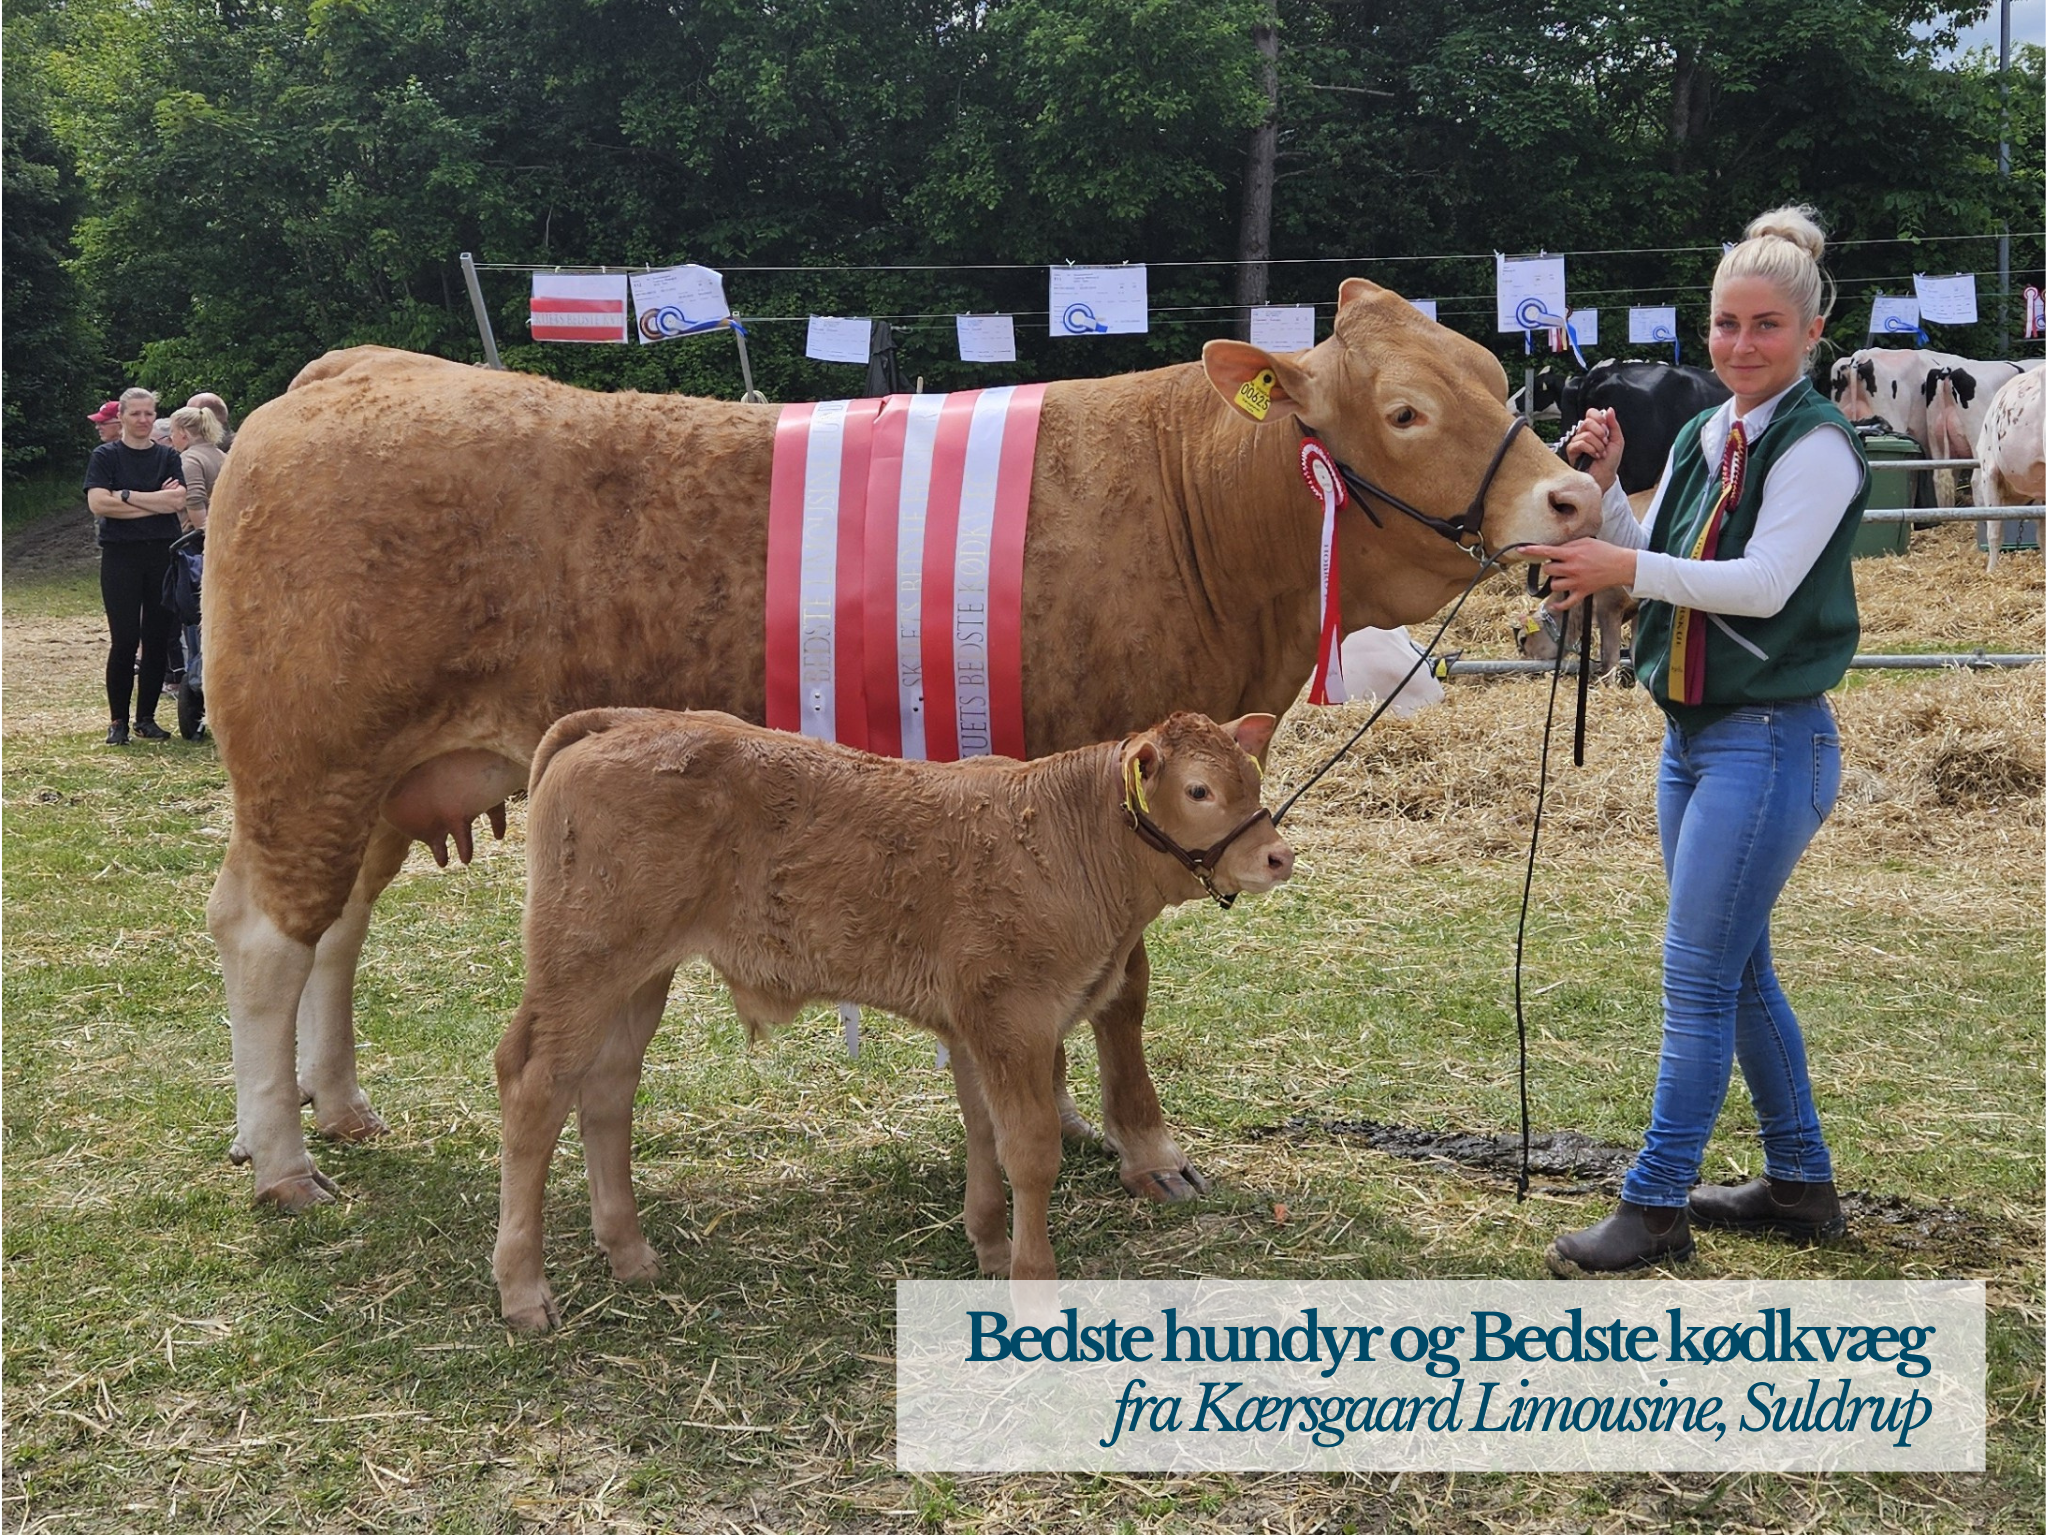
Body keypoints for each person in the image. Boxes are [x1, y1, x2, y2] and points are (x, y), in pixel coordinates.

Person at [1523, 205, 1869, 1275]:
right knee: (1737, 969)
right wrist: (1605, 495)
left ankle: (1656, 1204)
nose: (1740, 345)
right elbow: (1653, 550)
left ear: (1811, 333)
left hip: (1766, 742)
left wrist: (1621, 566)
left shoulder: (1818, 445)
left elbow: (1760, 585)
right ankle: (1800, 1183)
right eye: (1725, 323)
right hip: (1694, 740)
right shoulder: (1702, 434)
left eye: (1766, 325)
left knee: (1698, 978)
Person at [83, 388, 186, 744]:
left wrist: (125, 495)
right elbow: (99, 504)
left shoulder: (168, 456)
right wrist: (154, 501)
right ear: (122, 417)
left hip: (161, 555)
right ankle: (118, 721)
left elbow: (177, 501)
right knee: (125, 640)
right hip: (121, 557)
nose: (143, 420)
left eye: (149, 414)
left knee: (157, 639)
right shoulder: (105, 456)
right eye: (135, 414)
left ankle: (146, 719)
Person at [167, 405, 224, 531]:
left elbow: (195, 500)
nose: (171, 437)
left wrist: (204, 534)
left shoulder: (189, 459)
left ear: (182, 433)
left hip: (198, 536)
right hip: (224, 528)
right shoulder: (222, 455)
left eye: (172, 431)